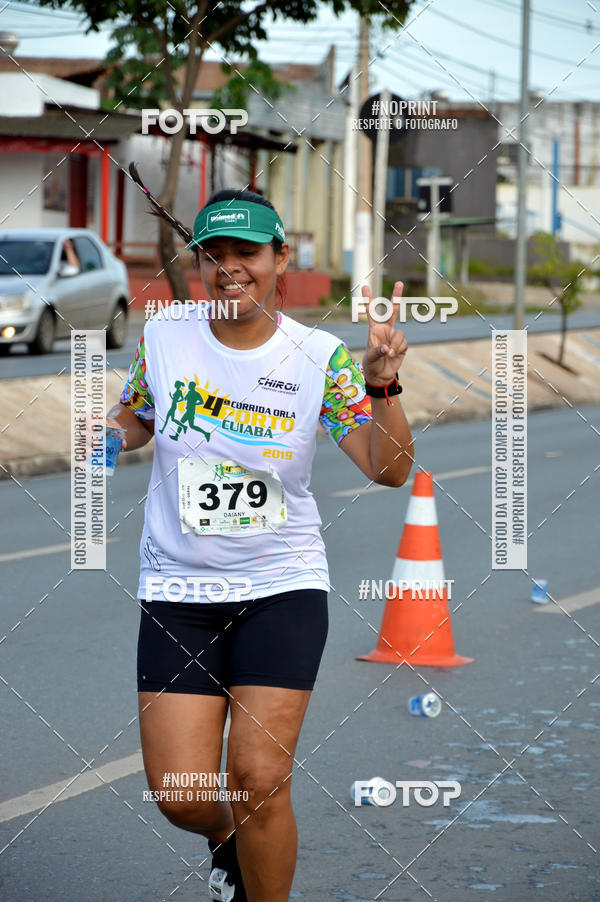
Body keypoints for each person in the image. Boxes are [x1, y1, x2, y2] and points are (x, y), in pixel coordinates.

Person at [106, 163, 414, 902]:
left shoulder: (319, 358)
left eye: (246, 253)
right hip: (178, 590)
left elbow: (389, 468)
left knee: (259, 777)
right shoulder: (166, 336)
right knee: (180, 795)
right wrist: (106, 436)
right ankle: (228, 842)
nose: (229, 268)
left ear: (280, 257)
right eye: (213, 255)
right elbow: (138, 415)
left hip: (281, 587)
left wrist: (382, 384)